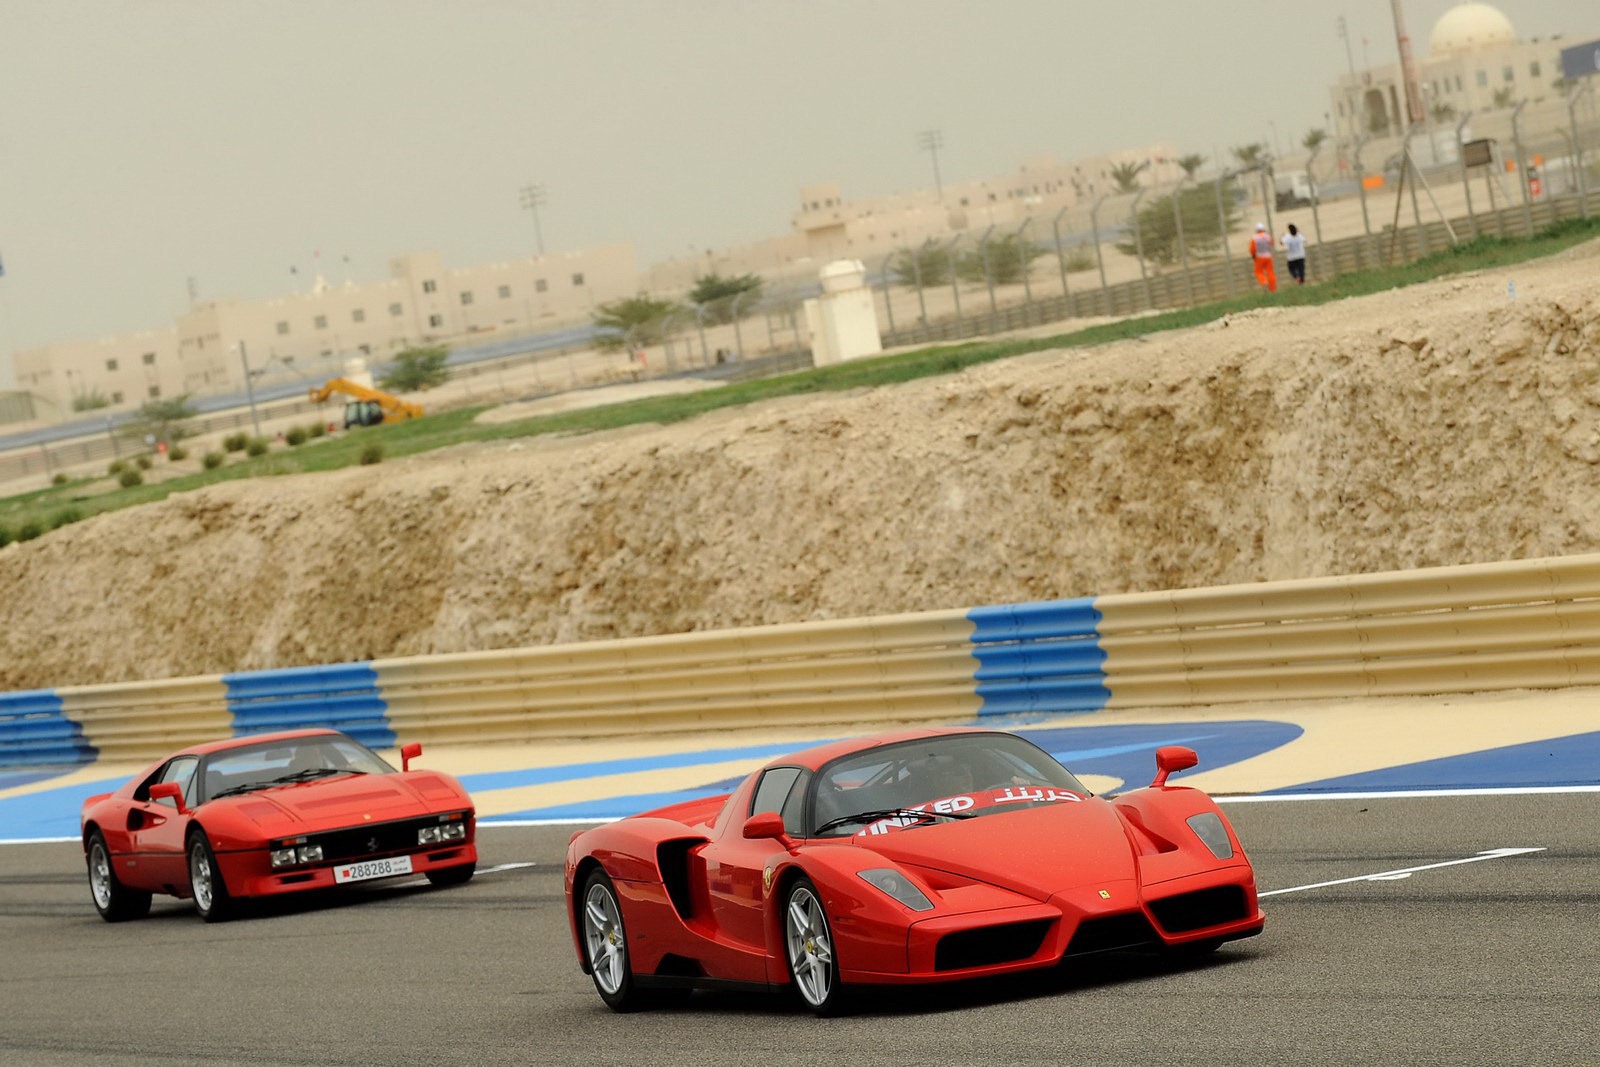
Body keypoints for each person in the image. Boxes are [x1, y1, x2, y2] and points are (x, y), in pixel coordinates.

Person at [1248, 223, 1277, 293]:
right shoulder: (1268, 236)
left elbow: (1252, 249)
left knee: (1258, 272)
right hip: (1268, 256)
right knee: (1270, 272)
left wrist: (1253, 255)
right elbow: (1272, 244)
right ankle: (1272, 289)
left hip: (1259, 257)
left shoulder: (1254, 237)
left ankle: (1264, 281)